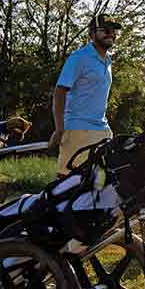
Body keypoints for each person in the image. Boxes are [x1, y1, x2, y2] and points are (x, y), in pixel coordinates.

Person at [51, 14, 122, 174]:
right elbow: (60, 92)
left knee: (101, 184)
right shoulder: (79, 57)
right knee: (68, 184)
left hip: (103, 130)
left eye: (113, 30)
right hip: (77, 130)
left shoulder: (108, 61)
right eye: (105, 30)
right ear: (91, 34)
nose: (110, 34)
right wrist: (60, 129)